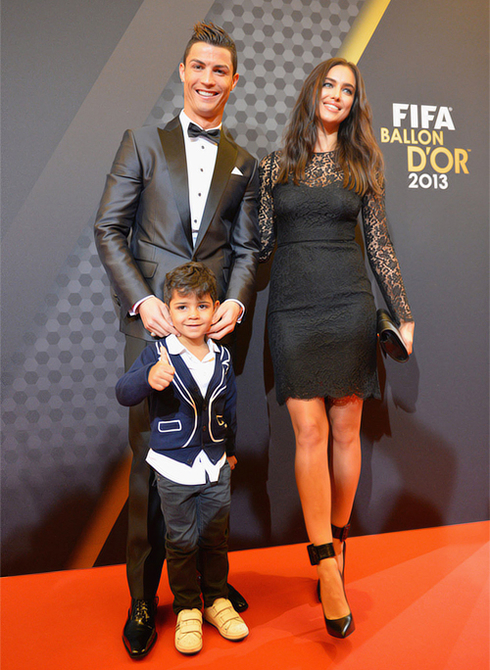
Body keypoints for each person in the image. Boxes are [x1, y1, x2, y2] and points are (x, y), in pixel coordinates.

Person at [94, 22, 259, 658]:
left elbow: (245, 248)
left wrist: (238, 301)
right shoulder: (141, 141)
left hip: (215, 330)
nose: (208, 79)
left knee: (211, 461)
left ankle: (206, 585)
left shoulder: (245, 163)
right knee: (149, 468)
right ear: (184, 72)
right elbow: (110, 230)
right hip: (153, 329)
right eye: (199, 68)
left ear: (234, 81)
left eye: (221, 71)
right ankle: (143, 598)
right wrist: (142, 300)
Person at [259, 58, 414, 639]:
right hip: (294, 309)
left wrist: (402, 311)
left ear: (354, 103)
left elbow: (380, 244)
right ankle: (325, 563)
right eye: (331, 85)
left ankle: (338, 539)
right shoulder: (277, 166)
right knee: (309, 434)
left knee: (346, 433)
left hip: (349, 304)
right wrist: (254, 202)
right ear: (313, 91)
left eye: (349, 91)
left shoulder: (361, 164)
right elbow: (265, 243)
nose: (339, 96)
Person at [115, 262, 249, 655]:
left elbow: (230, 409)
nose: (193, 315)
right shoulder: (158, 353)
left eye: (202, 306)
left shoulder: (222, 358)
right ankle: (188, 605)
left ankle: (217, 599)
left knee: (215, 537)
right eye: (183, 307)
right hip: (173, 469)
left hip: (216, 465)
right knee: (181, 541)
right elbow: (124, 392)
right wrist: (147, 378)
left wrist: (231, 451)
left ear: (216, 309)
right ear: (167, 311)